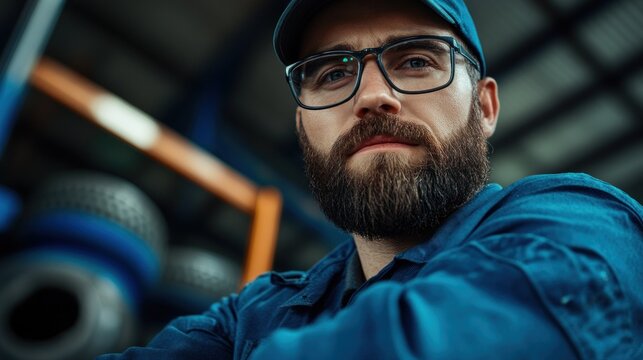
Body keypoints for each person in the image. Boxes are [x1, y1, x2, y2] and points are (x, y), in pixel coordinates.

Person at [99, 0, 643, 358]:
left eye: (414, 62)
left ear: (484, 105)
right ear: (302, 125)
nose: (372, 96)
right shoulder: (252, 315)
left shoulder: (581, 223)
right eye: (334, 74)